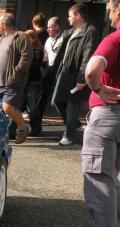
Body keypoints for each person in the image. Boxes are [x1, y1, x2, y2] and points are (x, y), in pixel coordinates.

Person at [70, 0, 120, 227]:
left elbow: (92, 71)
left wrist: (99, 89)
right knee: (112, 181)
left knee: (99, 182)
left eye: (110, 8)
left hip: (109, 117)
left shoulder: (114, 39)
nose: (109, 14)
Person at [52, 4, 98, 146]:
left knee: (72, 105)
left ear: (78, 15)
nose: (68, 18)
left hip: (76, 74)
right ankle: (74, 124)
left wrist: (82, 78)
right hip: (64, 73)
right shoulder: (70, 32)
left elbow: (88, 55)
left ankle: (69, 135)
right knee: (56, 101)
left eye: (70, 15)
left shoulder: (89, 31)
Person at [0, 14, 33, 144]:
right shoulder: (1, 38)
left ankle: (22, 128)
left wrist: (17, 73)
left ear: (5, 25)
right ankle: (0, 135)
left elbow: (27, 57)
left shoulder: (21, 36)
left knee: (7, 107)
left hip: (12, 81)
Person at [34, 16, 64, 135]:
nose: (48, 30)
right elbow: (46, 55)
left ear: (57, 27)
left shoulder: (63, 40)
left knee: (57, 100)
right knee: (42, 98)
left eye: (50, 27)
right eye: (47, 27)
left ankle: (72, 122)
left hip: (59, 71)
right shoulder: (48, 40)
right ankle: (37, 126)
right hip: (48, 71)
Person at [24, 30, 45, 135]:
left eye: (29, 38)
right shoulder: (23, 49)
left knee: (32, 106)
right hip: (23, 81)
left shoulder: (38, 51)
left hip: (33, 81)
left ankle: (36, 126)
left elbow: (34, 67)